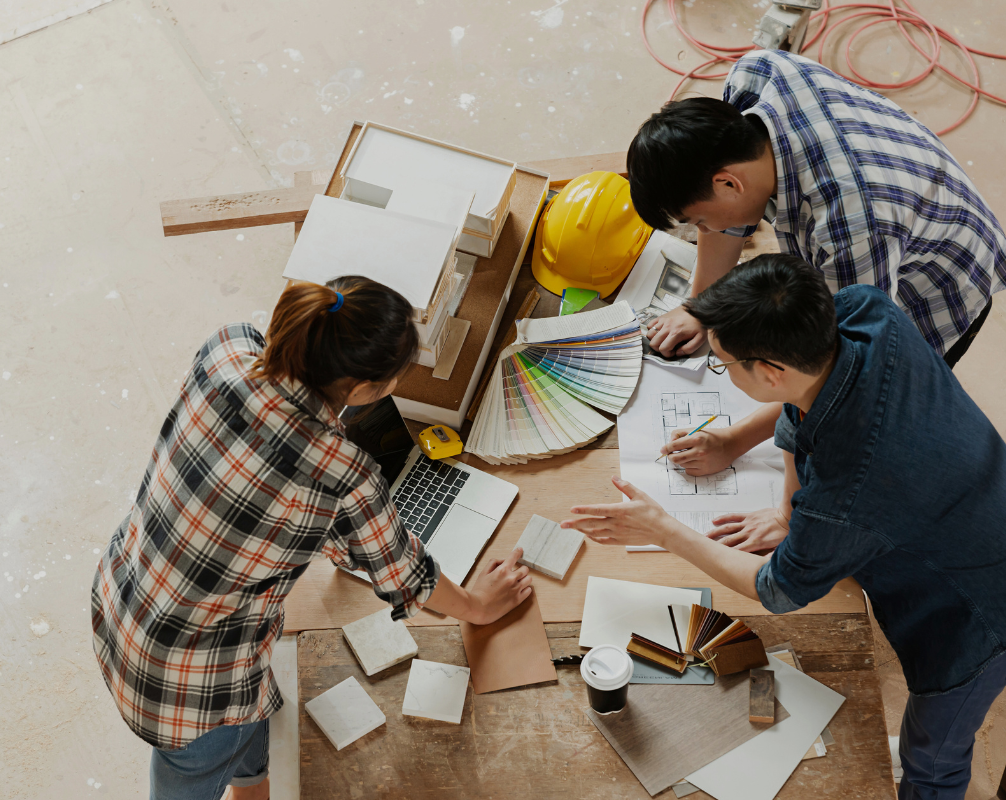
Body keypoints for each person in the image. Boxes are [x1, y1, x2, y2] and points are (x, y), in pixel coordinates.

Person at [561, 254, 1006, 800]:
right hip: (979, 497)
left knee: (932, 753)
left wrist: (663, 528)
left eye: (724, 363)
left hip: (981, 617)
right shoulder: (864, 313)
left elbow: (777, 588)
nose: (721, 367)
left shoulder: (850, 490)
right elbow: (804, 407)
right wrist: (786, 512)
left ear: (770, 371)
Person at [91, 277, 533, 800]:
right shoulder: (341, 471)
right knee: (192, 771)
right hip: (187, 687)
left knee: (251, 736)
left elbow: (253, 481)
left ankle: (251, 785)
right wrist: (478, 608)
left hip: (123, 596)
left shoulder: (228, 347)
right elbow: (404, 576)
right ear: (368, 389)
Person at [626, 49, 1005, 489]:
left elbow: (832, 368)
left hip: (941, 279)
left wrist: (734, 441)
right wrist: (701, 304)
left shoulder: (849, 229)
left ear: (729, 183)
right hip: (904, 196)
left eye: (698, 222)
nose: (705, 231)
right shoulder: (756, 75)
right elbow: (729, 215)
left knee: (874, 415)